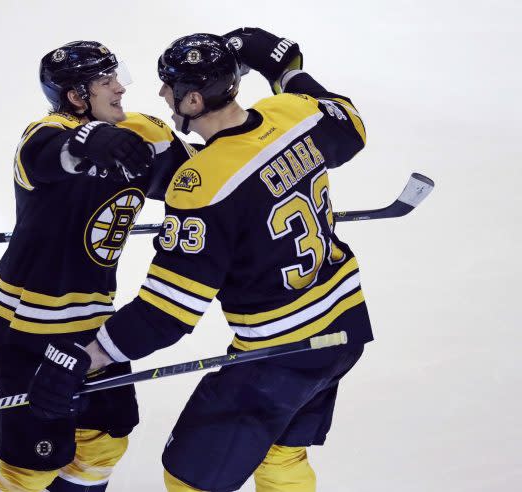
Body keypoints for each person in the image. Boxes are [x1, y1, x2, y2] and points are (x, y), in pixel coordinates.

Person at [28, 28, 373, 492]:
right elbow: (350, 126)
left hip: (279, 354)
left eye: (168, 85)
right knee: (280, 453)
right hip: (345, 330)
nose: (159, 93)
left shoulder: (202, 185)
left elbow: (166, 313)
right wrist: (287, 72)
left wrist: (85, 357)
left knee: (189, 476)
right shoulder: (292, 112)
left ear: (192, 102)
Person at [0, 40, 196, 492]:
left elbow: (205, 176)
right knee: (32, 467)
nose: (119, 88)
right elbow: (47, 153)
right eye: (105, 82)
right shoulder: (44, 133)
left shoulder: (142, 133)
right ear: (78, 97)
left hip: (95, 326)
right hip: (28, 330)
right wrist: (90, 138)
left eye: (116, 77)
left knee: (103, 444)